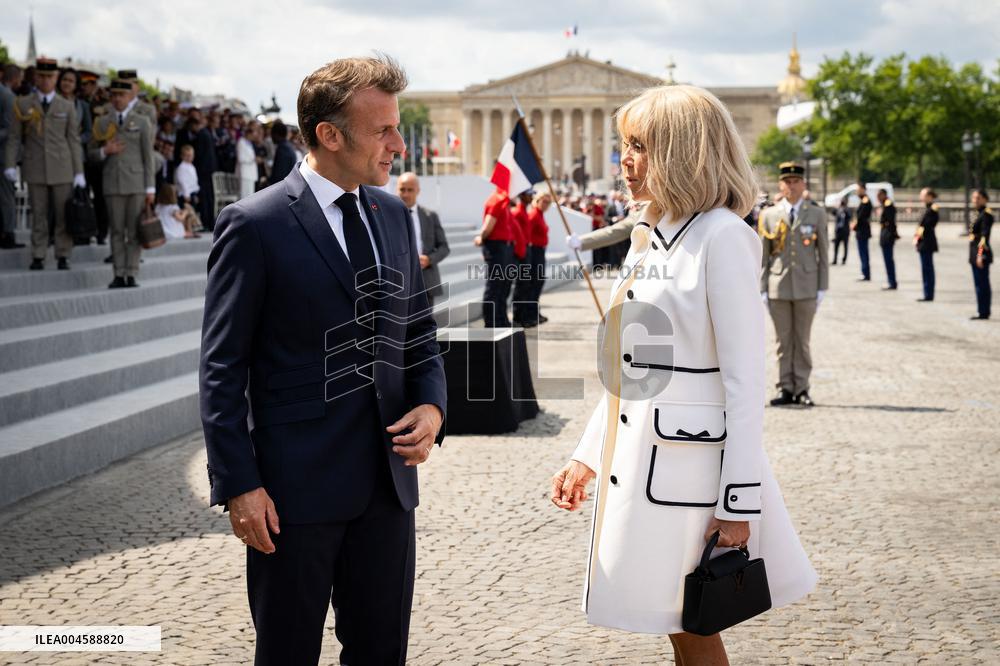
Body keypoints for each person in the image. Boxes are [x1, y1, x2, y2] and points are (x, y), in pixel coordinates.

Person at [550, 85, 815, 665]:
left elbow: (746, 384)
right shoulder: (651, 237)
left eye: (639, 146)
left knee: (694, 622)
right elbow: (634, 370)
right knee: (682, 622)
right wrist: (587, 454)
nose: (625, 160)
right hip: (644, 462)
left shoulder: (722, 236)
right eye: (624, 145)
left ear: (682, 151)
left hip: (691, 473)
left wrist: (738, 505)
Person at [200, 55, 446, 666]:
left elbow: (418, 329)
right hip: (291, 496)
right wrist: (240, 484)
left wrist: (433, 403)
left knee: (381, 652)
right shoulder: (253, 225)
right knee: (286, 654)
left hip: (388, 491)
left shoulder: (393, 214)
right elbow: (222, 370)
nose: (398, 144)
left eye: (397, 128)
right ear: (330, 135)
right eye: (383, 130)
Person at [4, 57, 85, 270]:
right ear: (36, 77)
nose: (46, 80)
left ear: (56, 78)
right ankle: (38, 254)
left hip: (62, 166)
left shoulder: (66, 106)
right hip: (35, 165)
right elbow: (14, 137)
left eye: (50, 76)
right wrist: (10, 164)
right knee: (38, 213)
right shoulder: (22, 104)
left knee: (62, 214)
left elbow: (74, 141)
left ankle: (62, 254)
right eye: (41, 76)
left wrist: (79, 172)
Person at [759, 162, 829, 407]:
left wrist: (823, 287)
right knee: (782, 342)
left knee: (803, 341)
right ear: (780, 185)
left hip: (807, 286)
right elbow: (764, 257)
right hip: (779, 286)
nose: (791, 186)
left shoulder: (816, 214)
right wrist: (763, 289)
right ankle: (784, 387)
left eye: (796, 181)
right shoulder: (769, 215)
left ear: (803, 184)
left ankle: (802, 387)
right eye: (787, 182)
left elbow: (823, 254)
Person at [88, 79, 155, 288]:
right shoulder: (101, 122)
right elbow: (90, 154)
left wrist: (150, 187)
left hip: (135, 183)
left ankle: (131, 272)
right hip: (112, 183)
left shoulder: (142, 121)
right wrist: (103, 151)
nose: (118, 99)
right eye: (114, 95)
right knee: (116, 231)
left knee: (134, 231)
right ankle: (118, 273)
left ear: (130, 97)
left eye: (122, 95)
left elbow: (148, 157)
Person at [395, 171, 450, 308]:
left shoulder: (430, 216)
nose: (406, 194)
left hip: (426, 281)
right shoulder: (387, 216)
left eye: (410, 190)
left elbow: (444, 247)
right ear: (397, 190)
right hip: (398, 283)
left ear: (418, 191)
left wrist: (429, 259)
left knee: (425, 326)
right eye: (402, 189)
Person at [474, 187, 516, 327]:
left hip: (504, 247)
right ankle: (492, 323)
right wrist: (481, 237)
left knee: (503, 286)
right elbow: (488, 225)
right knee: (495, 286)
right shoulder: (496, 200)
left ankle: (501, 319)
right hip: (497, 247)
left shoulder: (503, 201)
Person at [0, 63, 23, 249]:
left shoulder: (6, 95)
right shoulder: (9, 97)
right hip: (4, 155)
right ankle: (8, 233)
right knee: (7, 196)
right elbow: (10, 129)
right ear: (15, 79)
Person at [523, 190, 552, 325]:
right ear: (538, 200)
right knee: (534, 283)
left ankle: (535, 312)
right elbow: (526, 232)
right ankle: (530, 313)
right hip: (534, 251)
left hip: (540, 251)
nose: (546, 204)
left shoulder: (539, 214)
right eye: (544, 201)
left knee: (538, 283)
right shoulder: (534, 214)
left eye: (548, 202)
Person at [969, 189, 993, 320]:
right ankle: (981, 310)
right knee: (979, 284)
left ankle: (984, 311)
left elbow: (984, 238)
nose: (975, 200)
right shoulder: (979, 213)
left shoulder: (986, 215)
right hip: (974, 254)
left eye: (977, 198)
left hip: (981, 255)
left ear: (984, 199)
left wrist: (979, 255)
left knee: (982, 284)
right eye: (973, 198)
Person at [914, 187, 939, 302]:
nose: (921, 197)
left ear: (929, 196)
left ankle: (929, 294)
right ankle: (926, 292)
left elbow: (927, 226)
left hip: (927, 242)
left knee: (928, 268)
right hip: (923, 242)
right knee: (925, 269)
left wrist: (918, 236)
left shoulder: (932, 209)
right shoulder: (927, 209)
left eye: (923, 195)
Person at [877, 188, 898, 290]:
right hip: (885, 234)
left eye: (879, 195)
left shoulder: (888, 204)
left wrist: (892, 234)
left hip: (887, 235)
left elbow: (890, 222)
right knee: (887, 260)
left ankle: (892, 282)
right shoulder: (885, 204)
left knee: (889, 260)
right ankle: (891, 281)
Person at [852, 182, 872, 281]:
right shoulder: (863, 200)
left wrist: (854, 225)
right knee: (862, 252)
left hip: (863, 230)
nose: (857, 192)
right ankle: (864, 272)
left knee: (863, 252)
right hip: (861, 230)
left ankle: (865, 273)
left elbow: (861, 217)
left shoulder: (865, 201)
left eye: (858, 189)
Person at [268, 121, 296, 185]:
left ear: (276, 134)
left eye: (271, 134)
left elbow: (279, 175)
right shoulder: (287, 146)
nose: (271, 137)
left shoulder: (283, 149)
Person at [236, 121, 258, 199]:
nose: (253, 137)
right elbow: (241, 158)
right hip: (244, 174)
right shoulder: (241, 142)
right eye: (252, 135)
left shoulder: (249, 143)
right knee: (243, 197)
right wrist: (253, 159)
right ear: (248, 134)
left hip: (250, 174)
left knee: (250, 197)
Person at [175, 144, 200, 211]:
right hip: (185, 194)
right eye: (187, 155)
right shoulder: (181, 167)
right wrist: (186, 194)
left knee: (192, 211)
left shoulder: (192, 166)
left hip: (193, 192)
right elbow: (182, 182)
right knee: (186, 211)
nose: (189, 157)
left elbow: (194, 179)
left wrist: (196, 191)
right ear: (182, 156)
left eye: (191, 155)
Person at [832, 196, 851, 265]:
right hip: (838, 231)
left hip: (845, 231)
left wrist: (844, 209)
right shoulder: (838, 209)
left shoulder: (847, 209)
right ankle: (835, 259)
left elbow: (849, 216)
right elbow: (833, 212)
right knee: (836, 246)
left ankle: (844, 259)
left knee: (845, 246)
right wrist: (836, 206)